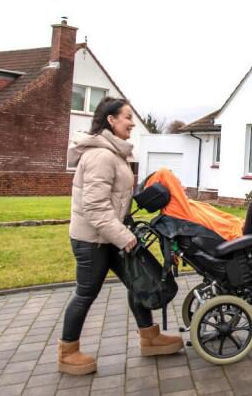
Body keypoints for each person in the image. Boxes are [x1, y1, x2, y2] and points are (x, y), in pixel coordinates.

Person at [59, 98, 183, 376]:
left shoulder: (114, 153)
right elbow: (94, 207)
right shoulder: (101, 156)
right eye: (127, 117)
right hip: (93, 240)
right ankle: (67, 352)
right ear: (111, 120)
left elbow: (117, 196)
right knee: (86, 293)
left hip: (111, 234)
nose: (132, 122)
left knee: (136, 281)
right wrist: (123, 236)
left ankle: (149, 337)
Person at [144, 167, 252, 243]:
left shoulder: (188, 206)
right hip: (238, 239)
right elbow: (164, 173)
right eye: (177, 185)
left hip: (239, 230)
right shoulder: (176, 211)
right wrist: (154, 190)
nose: (182, 187)